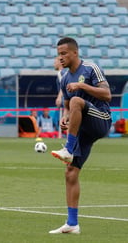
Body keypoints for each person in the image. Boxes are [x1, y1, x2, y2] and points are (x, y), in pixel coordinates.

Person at [49, 37, 112, 234]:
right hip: (83, 128)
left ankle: (68, 148)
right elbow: (68, 107)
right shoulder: (66, 78)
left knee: (77, 99)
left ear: (75, 53)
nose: (61, 57)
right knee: (70, 173)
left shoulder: (91, 68)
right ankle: (72, 223)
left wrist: (82, 87)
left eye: (64, 53)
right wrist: (66, 118)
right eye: (59, 54)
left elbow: (107, 95)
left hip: (101, 118)